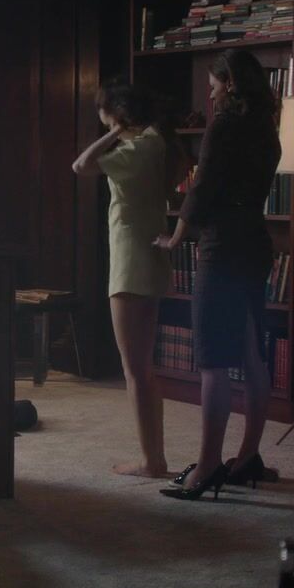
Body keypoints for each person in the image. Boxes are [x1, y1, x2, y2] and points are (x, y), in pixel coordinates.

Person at [153, 48, 281, 501]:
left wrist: (175, 237)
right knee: (251, 352)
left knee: (212, 360)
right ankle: (247, 458)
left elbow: (203, 185)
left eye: (213, 85)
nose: (210, 95)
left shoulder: (224, 125)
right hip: (255, 242)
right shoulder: (266, 129)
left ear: (230, 83)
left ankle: (207, 467)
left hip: (222, 246)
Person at [72, 81, 186, 478]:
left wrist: (115, 132)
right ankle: (155, 456)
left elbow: (81, 165)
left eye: (104, 117)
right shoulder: (158, 143)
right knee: (144, 367)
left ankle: (151, 460)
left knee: (134, 369)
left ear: (117, 114)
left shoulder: (136, 149)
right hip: (150, 258)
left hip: (130, 261)